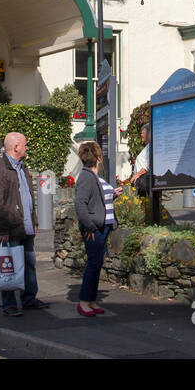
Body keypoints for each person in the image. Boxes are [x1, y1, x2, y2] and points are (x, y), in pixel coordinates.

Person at [0, 131, 49, 315]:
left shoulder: (22, 167)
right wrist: (2, 229)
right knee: (8, 266)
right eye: (25, 144)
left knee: (29, 263)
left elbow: (28, 196)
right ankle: (9, 304)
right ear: (15, 147)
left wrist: (34, 221)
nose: (27, 147)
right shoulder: (0, 170)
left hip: (25, 226)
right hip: (10, 227)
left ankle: (29, 299)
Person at [74, 141, 115, 316]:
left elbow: (96, 202)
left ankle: (91, 300)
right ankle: (84, 302)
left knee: (97, 264)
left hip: (101, 227)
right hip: (94, 229)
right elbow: (80, 204)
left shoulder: (93, 176)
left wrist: (113, 195)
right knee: (93, 264)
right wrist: (90, 227)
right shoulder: (86, 176)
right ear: (98, 157)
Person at [123, 124, 152, 191]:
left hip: (144, 182)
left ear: (149, 133)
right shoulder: (147, 147)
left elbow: (148, 165)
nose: (141, 135)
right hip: (141, 182)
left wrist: (138, 174)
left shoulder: (151, 147)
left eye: (143, 133)